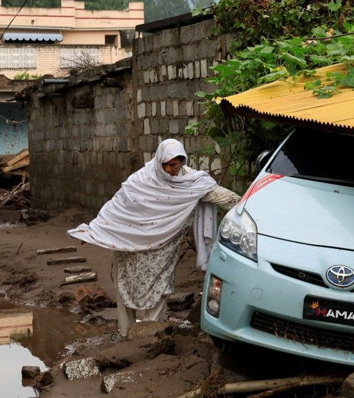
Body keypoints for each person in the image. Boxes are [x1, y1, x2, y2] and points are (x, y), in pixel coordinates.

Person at [68, 139, 240, 337]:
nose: (168, 169)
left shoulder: (191, 183)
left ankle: (149, 336)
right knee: (124, 288)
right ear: (157, 160)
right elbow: (116, 208)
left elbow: (219, 196)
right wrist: (93, 232)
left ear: (182, 162)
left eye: (173, 165)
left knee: (159, 289)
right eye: (164, 164)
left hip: (162, 251)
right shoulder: (141, 181)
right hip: (130, 250)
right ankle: (125, 333)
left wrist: (246, 204)